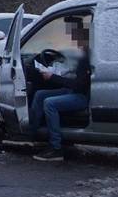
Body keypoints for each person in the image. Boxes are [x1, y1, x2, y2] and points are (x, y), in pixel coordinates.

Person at [29, 18, 92, 162]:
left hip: (81, 96)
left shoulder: (87, 56)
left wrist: (53, 77)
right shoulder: (80, 53)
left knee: (49, 103)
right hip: (73, 91)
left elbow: (79, 85)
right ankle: (32, 134)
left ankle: (55, 147)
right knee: (40, 94)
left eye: (74, 34)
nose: (71, 37)